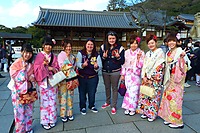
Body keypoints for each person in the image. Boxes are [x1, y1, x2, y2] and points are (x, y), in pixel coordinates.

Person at [158, 34, 187, 129]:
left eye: (173, 41)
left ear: (176, 42)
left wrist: (182, 58)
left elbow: (185, 66)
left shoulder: (180, 51)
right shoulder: (168, 52)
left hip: (177, 79)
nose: (171, 43)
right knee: (167, 99)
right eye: (169, 41)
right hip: (169, 78)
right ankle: (169, 118)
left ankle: (178, 122)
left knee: (175, 100)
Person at [136, 34, 165, 122]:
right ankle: (145, 112)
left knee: (153, 96)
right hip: (146, 78)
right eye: (149, 43)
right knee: (145, 95)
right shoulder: (148, 53)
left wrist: (152, 78)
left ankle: (152, 114)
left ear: (156, 43)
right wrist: (144, 76)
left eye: (152, 43)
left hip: (154, 79)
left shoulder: (160, 53)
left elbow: (160, 66)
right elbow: (144, 66)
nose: (151, 45)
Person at [8, 44, 35, 133]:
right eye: (26, 52)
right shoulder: (16, 64)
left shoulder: (30, 64)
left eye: (30, 52)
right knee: (19, 113)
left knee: (29, 111)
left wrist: (32, 76)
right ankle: (20, 130)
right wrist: (22, 71)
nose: (28, 55)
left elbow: (32, 75)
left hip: (28, 91)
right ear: (22, 52)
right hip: (18, 92)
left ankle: (28, 128)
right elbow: (15, 77)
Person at [34, 36, 59, 130]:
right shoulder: (39, 56)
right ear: (43, 46)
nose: (48, 47)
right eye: (46, 45)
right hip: (43, 82)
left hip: (52, 82)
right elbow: (36, 69)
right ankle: (45, 121)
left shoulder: (54, 56)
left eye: (50, 45)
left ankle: (52, 119)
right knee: (44, 102)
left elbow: (57, 68)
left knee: (52, 101)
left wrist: (53, 69)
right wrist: (44, 66)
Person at [100, 31, 125, 114]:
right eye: (110, 38)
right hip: (105, 71)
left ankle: (113, 105)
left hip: (115, 72)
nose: (111, 40)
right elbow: (100, 60)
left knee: (114, 88)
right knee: (107, 87)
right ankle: (107, 102)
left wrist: (118, 57)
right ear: (107, 39)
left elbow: (122, 61)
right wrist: (103, 57)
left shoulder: (120, 48)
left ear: (116, 38)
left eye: (113, 38)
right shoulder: (103, 47)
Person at [76, 38, 102, 115]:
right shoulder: (81, 53)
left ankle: (91, 105)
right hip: (82, 77)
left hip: (92, 77)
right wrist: (82, 65)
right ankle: (82, 107)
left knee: (92, 92)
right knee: (82, 92)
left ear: (94, 46)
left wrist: (96, 67)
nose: (90, 46)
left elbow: (100, 66)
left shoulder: (97, 55)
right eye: (88, 44)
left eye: (91, 44)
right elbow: (77, 63)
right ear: (85, 45)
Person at [120, 35, 145, 116]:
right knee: (128, 91)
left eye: (135, 43)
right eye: (132, 43)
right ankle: (127, 107)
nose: (133, 45)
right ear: (129, 44)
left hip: (136, 75)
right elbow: (123, 64)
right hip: (128, 75)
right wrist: (123, 74)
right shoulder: (126, 52)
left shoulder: (141, 52)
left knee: (134, 92)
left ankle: (133, 108)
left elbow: (142, 65)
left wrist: (138, 60)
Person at [57, 38, 76, 122]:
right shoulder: (61, 55)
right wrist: (70, 64)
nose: (68, 48)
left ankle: (70, 113)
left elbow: (75, 66)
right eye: (67, 46)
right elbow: (62, 67)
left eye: (70, 46)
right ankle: (63, 114)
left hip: (71, 79)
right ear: (63, 47)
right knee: (63, 97)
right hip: (63, 80)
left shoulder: (72, 56)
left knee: (70, 97)